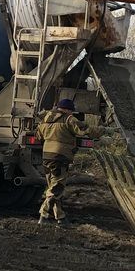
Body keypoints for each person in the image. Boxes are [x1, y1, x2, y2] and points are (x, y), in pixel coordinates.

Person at [36, 97, 97, 227]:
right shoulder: (69, 119)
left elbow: (39, 135)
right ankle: (44, 215)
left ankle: (61, 218)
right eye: (71, 111)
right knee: (57, 188)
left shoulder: (46, 119)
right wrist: (102, 131)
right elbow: (84, 130)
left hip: (46, 156)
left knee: (53, 188)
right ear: (68, 110)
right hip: (60, 156)